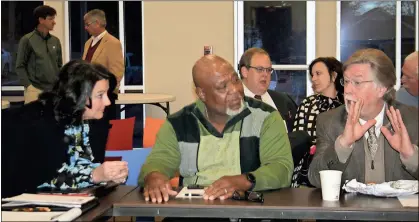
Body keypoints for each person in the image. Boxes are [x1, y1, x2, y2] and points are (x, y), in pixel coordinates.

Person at [139, 55, 293, 205]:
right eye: (223, 87)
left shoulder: (266, 117)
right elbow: (158, 161)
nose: (235, 90)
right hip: (195, 211)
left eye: (235, 80)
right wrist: (154, 177)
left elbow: (281, 168)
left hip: (248, 209)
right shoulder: (178, 123)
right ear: (202, 94)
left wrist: (244, 181)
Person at [1, 60, 128, 198]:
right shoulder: (38, 123)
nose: (108, 102)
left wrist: (107, 174)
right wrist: (95, 175)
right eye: (100, 95)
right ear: (78, 95)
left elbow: (82, 165)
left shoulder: (83, 120)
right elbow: (42, 178)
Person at [309, 48, 418, 188]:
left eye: (357, 83)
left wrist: (410, 156)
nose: (347, 90)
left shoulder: (412, 120)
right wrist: (343, 144)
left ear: (382, 88)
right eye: (346, 82)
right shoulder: (330, 121)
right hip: (351, 209)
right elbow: (315, 179)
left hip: (399, 209)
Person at [291, 57, 344, 188]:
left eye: (318, 74)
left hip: (341, 170)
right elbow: (297, 141)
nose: (313, 79)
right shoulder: (307, 104)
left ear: (333, 75)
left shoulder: (346, 105)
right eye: (312, 75)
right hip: (307, 174)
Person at [238, 47, 297, 133]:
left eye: (269, 70)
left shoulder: (284, 101)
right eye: (260, 69)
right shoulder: (228, 103)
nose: (265, 74)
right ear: (245, 72)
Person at [82, 9, 124, 121]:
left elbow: (117, 71)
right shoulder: (88, 43)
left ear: (97, 23)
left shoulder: (112, 42)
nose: (85, 28)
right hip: (87, 95)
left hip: (105, 96)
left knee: (103, 131)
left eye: (87, 24)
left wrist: (105, 92)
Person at [15, 5, 63, 104]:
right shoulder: (27, 40)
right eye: (51, 19)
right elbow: (20, 66)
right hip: (34, 91)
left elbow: (59, 65)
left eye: (54, 19)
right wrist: (29, 86)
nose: (54, 22)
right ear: (41, 20)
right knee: (33, 119)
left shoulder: (55, 41)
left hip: (53, 91)